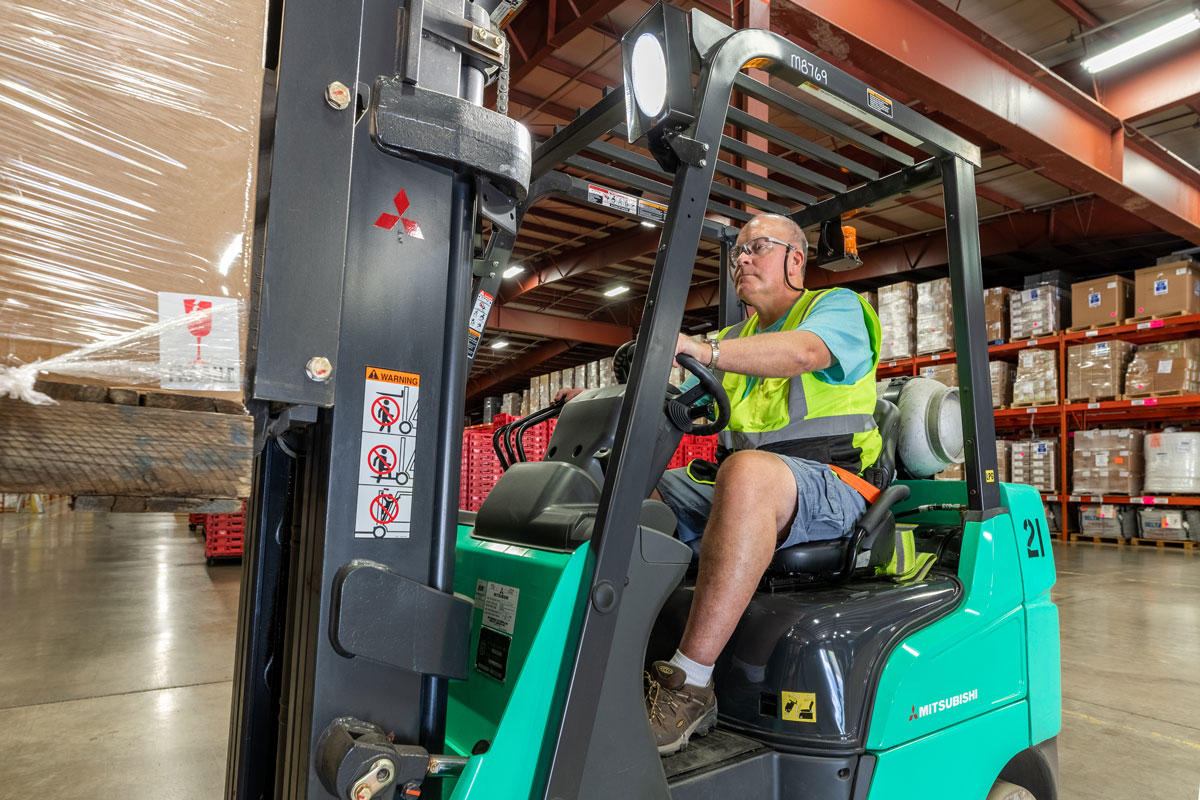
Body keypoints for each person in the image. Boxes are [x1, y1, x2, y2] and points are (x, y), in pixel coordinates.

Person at [557, 213, 882, 755]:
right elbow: (682, 399)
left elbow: (804, 353)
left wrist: (700, 350)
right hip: (745, 486)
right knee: (635, 483)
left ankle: (689, 683)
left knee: (745, 472)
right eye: (737, 254)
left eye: (757, 248)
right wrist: (613, 393)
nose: (742, 260)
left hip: (833, 486)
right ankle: (610, 650)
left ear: (795, 260)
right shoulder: (736, 339)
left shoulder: (837, 308)